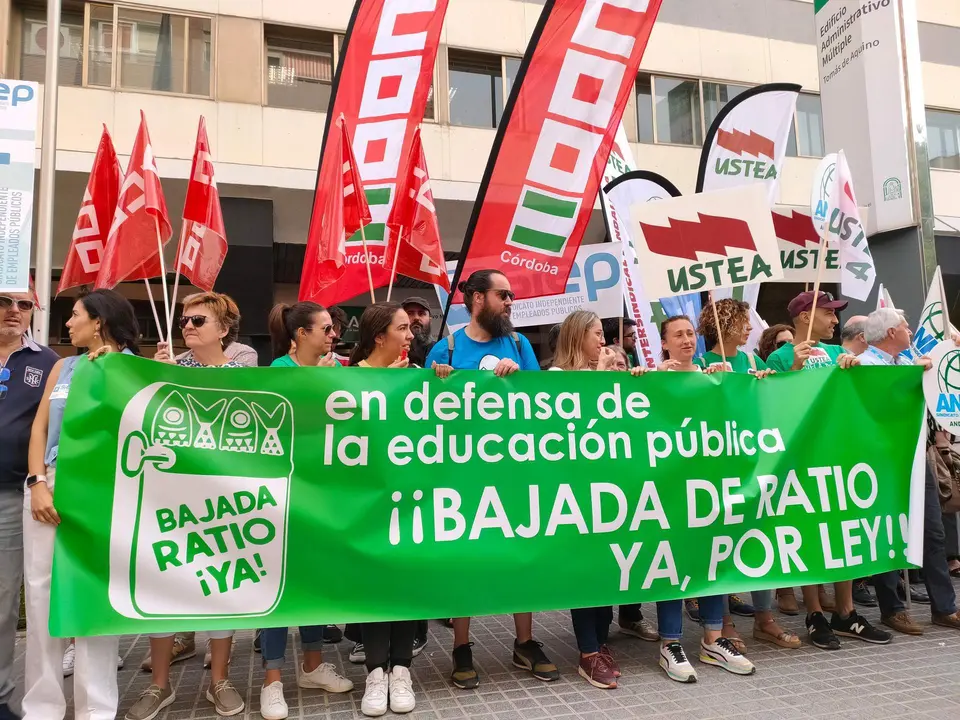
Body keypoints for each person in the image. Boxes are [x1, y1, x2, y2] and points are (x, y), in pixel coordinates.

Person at [424, 270, 558, 689]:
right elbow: (422, 413)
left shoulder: (518, 345)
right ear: (477, 298)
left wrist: (518, 378)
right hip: (462, 475)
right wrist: (440, 382)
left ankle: (525, 641)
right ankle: (462, 646)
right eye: (504, 294)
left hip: (514, 471)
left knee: (523, 552)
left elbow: (545, 404)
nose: (511, 301)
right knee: (465, 558)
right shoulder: (445, 349)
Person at [128, 292, 247, 720]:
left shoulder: (243, 376)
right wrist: (152, 377)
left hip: (225, 499)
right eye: (184, 321)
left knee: (223, 586)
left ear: (223, 329)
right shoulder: (165, 371)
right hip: (169, 496)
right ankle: (159, 686)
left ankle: (219, 680)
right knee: (162, 584)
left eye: (198, 320)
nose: (188, 327)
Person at [23, 289, 140, 720]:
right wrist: (36, 481)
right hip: (48, 484)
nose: (67, 324)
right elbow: (39, 429)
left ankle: (96, 709)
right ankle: (42, 708)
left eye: (74, 316)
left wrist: (116, 372)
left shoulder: (130, 368)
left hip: (101, 491)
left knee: (93, 596)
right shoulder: (62, 366)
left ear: (100, 321)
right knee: (40, 595)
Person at [765, 292, 893, 650]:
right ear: (805, 317)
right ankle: (816, 613)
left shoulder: (839, 354)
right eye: (828, 314)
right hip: (804, 458)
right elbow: (769, 406)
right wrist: (792, 371)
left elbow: (865, 391)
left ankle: (846, 613)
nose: (835, 321)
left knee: (843, 531)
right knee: (810, 531)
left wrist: (858, 370)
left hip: (842, 455)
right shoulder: (781, 356)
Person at [257, 302, 351, 720]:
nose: (333, 335)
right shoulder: (277, 371)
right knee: (281, 587)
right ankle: (272, 681)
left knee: (314, 582)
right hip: (286, 494)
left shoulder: (338, 369)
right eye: (326, 329)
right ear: (300, 335)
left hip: (325, 495)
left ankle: (312, 666)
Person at [654, 316, 755, 682]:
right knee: (671, 561)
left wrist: (742, 385)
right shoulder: (654, 378)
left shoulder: (714, 375)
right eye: (677, 334)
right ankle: (670, 642)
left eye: (690, 333)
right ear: (664, 343)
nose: (686, 340)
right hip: (668, 489)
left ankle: (713, 638)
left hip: (709, 487)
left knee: (712, 556)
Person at [695, 300, 801, 652]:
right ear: (724, 324)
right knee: (722, 544)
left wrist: (766, 384)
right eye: (741, 322)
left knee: (758, 537)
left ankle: (764, 619)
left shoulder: (753, 361)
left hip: (752, 461)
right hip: (716, 466)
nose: (748, 329)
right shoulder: (699, 364)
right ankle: (723, 622)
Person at [858, 308, 960, 635]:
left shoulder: (908, 362)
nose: (910, 330)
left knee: (933, 531)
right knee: (885, 531)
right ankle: (892, 608)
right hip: (880, 462)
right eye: (904, 325)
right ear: (890, 333)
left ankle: (944, 608)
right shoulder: (863, 365)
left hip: (917, 457)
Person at [349, 302, 418, 716]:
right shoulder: (347, 379)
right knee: (374, 586)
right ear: (380, 337)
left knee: (405, 583)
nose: (410, 336)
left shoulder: (416, 379)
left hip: (409, 499)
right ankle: (376, 672)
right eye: (403, 328)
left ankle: (403, 671)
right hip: (366, 502)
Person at [0, 292, 58, 720]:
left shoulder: (49, 362)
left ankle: (1, 695)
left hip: (10, 494)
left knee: (3, 603)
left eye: (23, 304)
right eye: (4, 302)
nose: (14, 312)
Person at [401, 296, 435, 368]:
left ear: (430, 319)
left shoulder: (440, 349)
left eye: (421, 313)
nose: (416, 318)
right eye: (410, 313)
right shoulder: (393, 350)